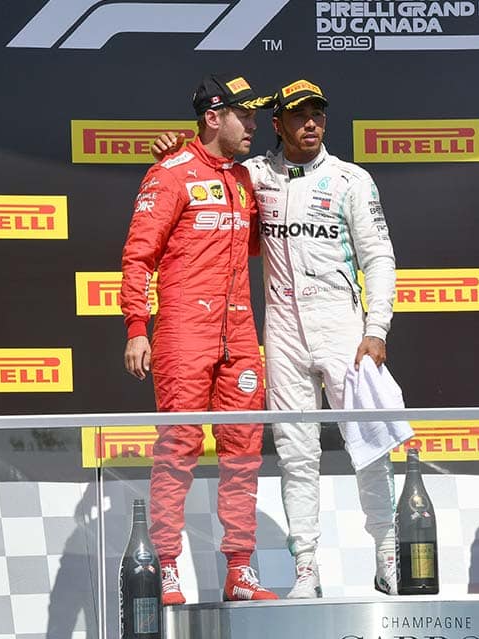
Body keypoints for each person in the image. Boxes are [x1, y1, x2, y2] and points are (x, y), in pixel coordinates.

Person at [154, 78, 400, 599]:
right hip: (282, 331)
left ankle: (388, 552)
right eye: (299, 115)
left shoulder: (351, 179)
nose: (311, 123)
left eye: (319, 114)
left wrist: (376, 329)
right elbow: (205, 169)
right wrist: (179, 149)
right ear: (278, 123)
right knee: (295, 452)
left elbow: (379, 257)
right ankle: (305, 568)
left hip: (342, 327)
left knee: (371, 443)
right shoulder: (254, 176)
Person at [120, 73, 277, 604]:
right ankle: (165, 565)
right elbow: (138, 257)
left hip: (240, 333)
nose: (254, 124)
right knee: (179, 446)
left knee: (244, 451)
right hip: (185, 330)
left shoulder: (247, 178)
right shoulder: (170, 173)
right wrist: (137, 328)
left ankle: (240, 569)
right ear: (214, 117)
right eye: (244, 115)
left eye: (255, 116)